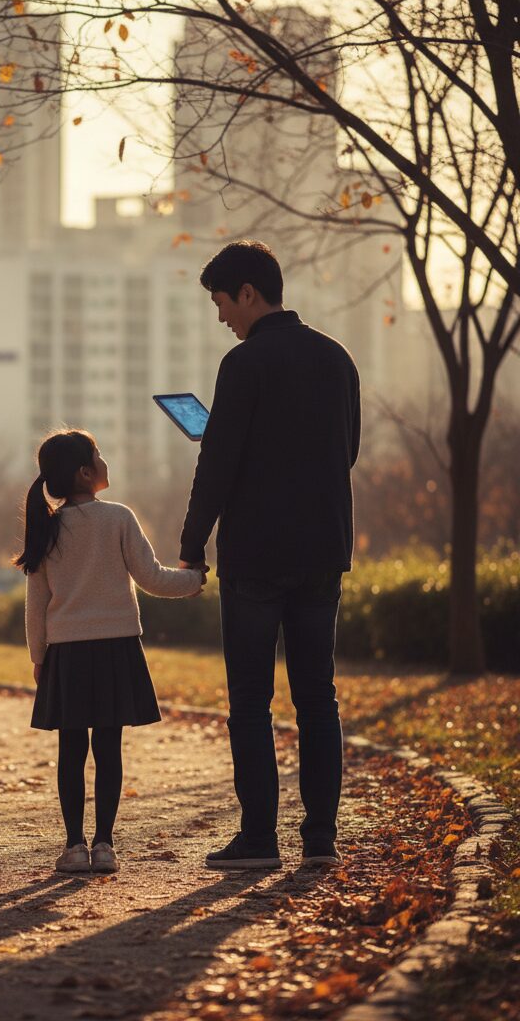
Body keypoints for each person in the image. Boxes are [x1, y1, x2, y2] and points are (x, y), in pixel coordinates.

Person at [178, 240, 361, 870]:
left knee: (251, 702)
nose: (221, 316)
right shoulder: (338, 359)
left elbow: (219, 463)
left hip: (256, 555)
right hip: (322, 549)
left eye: (222, 302)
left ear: (248, 293)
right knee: (318, 697)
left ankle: (259, 839)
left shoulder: (244, 364)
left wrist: (190, 542)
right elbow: (348, 450)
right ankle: (321, 838)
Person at [18, 430, 205, 875]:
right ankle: (105, 845)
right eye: (99, 455)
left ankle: (74, 846)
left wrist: (39, 658)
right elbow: (152, 577)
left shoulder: (49, 527)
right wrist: (195, 580)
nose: (105, 461)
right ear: (86, 472)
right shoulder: (119, 518)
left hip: (66, 652)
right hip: (116, 646)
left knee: (71, 749)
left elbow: (36, 603)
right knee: (109, 747)